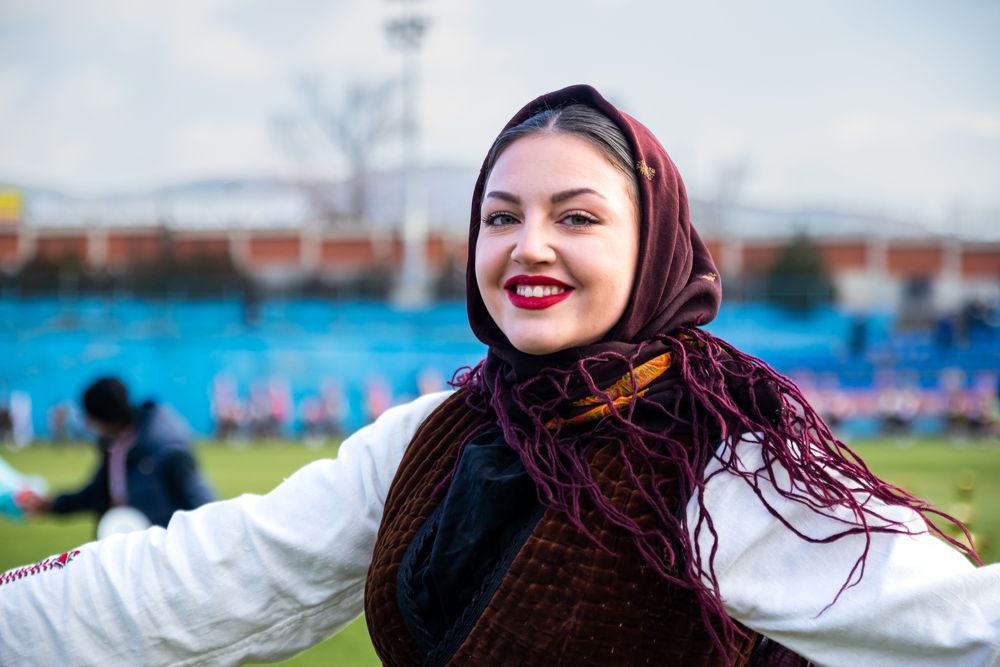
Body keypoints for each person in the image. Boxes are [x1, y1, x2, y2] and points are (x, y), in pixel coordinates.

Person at [1, 86, 998, 666]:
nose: (529, 246)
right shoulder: (434, 433)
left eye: (577, 216)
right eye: (500, 216)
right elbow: (214, 575)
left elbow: (954, 628)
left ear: (654, 243)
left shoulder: (724, 460)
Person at [18, 377, 214, 532]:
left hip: (158, 549)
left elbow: (201, 505)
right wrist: (52, 505)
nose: (86, 423)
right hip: (123, 544)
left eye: (89, 416)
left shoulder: (167, 447)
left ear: (101, 418)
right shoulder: (114, 444)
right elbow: (99, 493)